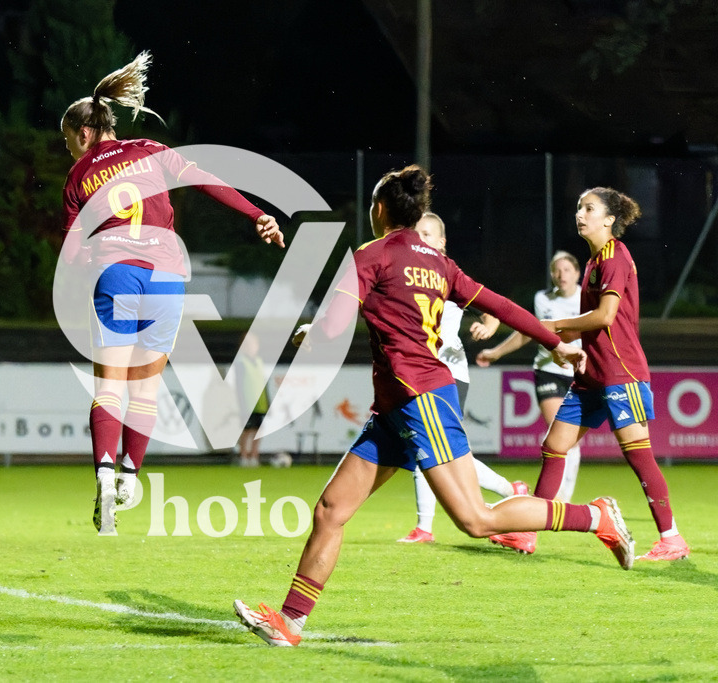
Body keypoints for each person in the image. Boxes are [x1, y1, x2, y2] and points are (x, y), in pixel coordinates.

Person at [233, 166, 635, 648]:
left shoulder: (371, 255)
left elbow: (336, 325)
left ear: (379, 209)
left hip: (421, 399)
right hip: (395, 408)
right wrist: (555, 342)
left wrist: (312, 333)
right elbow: (502, 306)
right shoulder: (438, 263)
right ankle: (290, 623)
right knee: (331, 510)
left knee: (476, 520)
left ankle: (596, 517)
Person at [59, 52, 284, 535]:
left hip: (117, 273)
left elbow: (73, 253)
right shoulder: (148, 150)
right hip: (165, 279)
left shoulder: (79, 177)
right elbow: (206, 181)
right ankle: (130, 475)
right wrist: (256, 216)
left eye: (67, 142)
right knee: (145, 387)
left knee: (109, 386)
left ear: (82, 134)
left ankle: (103, 471)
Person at [522, 187, 689, 561]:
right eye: (579, 207)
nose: (580, 214)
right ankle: (527, 532)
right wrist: (576, 349)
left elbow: (605, 317)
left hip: (621, 371)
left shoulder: (615, 256)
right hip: (592, 375)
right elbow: (593, 325)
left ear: (609, 220)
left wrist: (553, 325)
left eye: (589, 208)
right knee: (554, 447)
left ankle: (672, 538)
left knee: (639, 455)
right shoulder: (595, 261)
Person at [398, 212, 527, 544]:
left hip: (448, 375)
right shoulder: (410, 276)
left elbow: (494, 310)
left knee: (430, 451)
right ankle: (510, 489)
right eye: (417, 234)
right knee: (438, 453)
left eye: (428, 234)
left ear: (442, 242)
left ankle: (425, 528)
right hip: (421, 375)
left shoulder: (447, 276)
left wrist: (488, 327)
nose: (421, 239)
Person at [474, 251, 583, 512]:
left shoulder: (587, 299)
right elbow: (529, 332)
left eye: (567, 269)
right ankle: (556, 502)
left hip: (580, 372)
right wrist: (496, 352)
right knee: (559, 434)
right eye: (557, 270)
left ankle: (562, 500)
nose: (562, 275)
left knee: (571, 441)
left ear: (577, 274)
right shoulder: (542, 299)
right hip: (549, 372)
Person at [234, 331, 269, 468]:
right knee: (247, 430)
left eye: (253, 343)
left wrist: (268, 401)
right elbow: (239, 384)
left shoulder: (259, 361)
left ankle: (255, 455)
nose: (251, 346)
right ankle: (244, 456)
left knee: (258, 430)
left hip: (261, 402)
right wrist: (241, 403)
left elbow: (263, 382)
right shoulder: (240, 362)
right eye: (247, 344)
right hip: (247, 403)